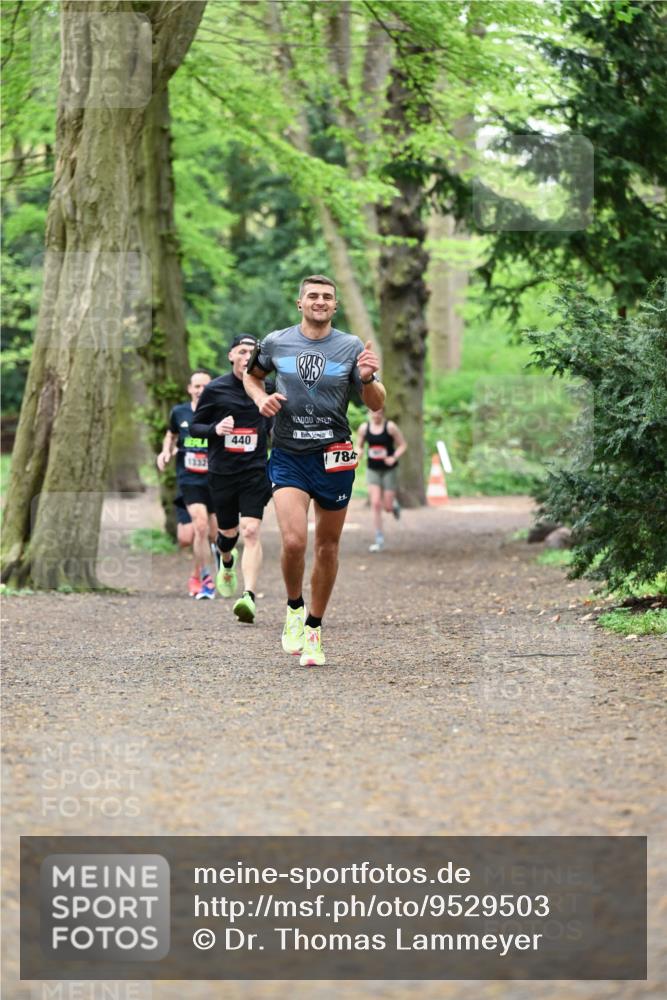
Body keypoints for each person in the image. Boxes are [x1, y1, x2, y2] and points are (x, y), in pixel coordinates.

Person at [244, 274, 385, 666]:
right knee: (293, 542)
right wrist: (260, 398)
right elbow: (251, 376)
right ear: (300, 303)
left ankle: (314, 628)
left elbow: (375, 403)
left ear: (335, 306)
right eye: (312, 296)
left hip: (333, 454)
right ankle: (293, 608)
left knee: (327, 546)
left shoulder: (351, 347)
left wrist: (369, 378)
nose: (320, 301)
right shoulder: (275, 342)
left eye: (327, 297)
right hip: (289, 453)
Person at [190, 335, 273, 624]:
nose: (247, 355)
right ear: (231, 356)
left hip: (255, 472)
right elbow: (195, 428)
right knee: (227, 536)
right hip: (223, 473)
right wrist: (215, 428)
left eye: (252, 351)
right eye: (242, 351)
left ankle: (248, 596)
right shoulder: (215, 389)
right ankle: (226, 560)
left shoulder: (267, 388)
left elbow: (276, 425)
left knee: (250, 531)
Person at [157, 372, 218, 599]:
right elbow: (171, 435)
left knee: (214, 534)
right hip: (189, 478)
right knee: (197, 529)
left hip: (214, 479)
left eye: (205, 386)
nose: (200, 390)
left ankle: (209, 563)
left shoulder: (218, 412)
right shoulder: (179, 412)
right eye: (197, 386)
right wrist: (166, 451)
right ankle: (204, 576)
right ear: (189, 388)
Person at [356, 407, 407, 552]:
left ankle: (393, 505)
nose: (376, 415)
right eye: (373, 412)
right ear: (369, 413)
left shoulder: (390, 427)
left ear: (383, 413)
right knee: (376, 503)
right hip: (373, 469)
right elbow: (359, 446)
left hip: (389, 469)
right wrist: (358, 454)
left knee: (387, 507)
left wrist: (394, 457)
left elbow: (403, 445)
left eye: (379, 413)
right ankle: (379, 538)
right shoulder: (364, 428)